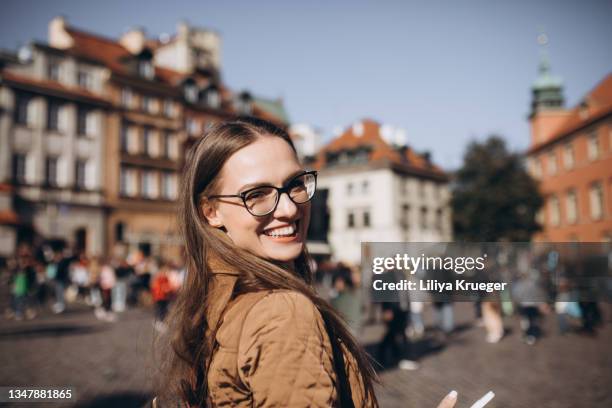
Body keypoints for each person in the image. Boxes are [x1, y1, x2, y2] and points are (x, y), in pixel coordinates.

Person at [154, 117, 458, 408]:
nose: (288, 208)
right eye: (257, 194)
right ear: (211, 211)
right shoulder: (283, 313)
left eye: (295, 184)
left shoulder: (214, 298)